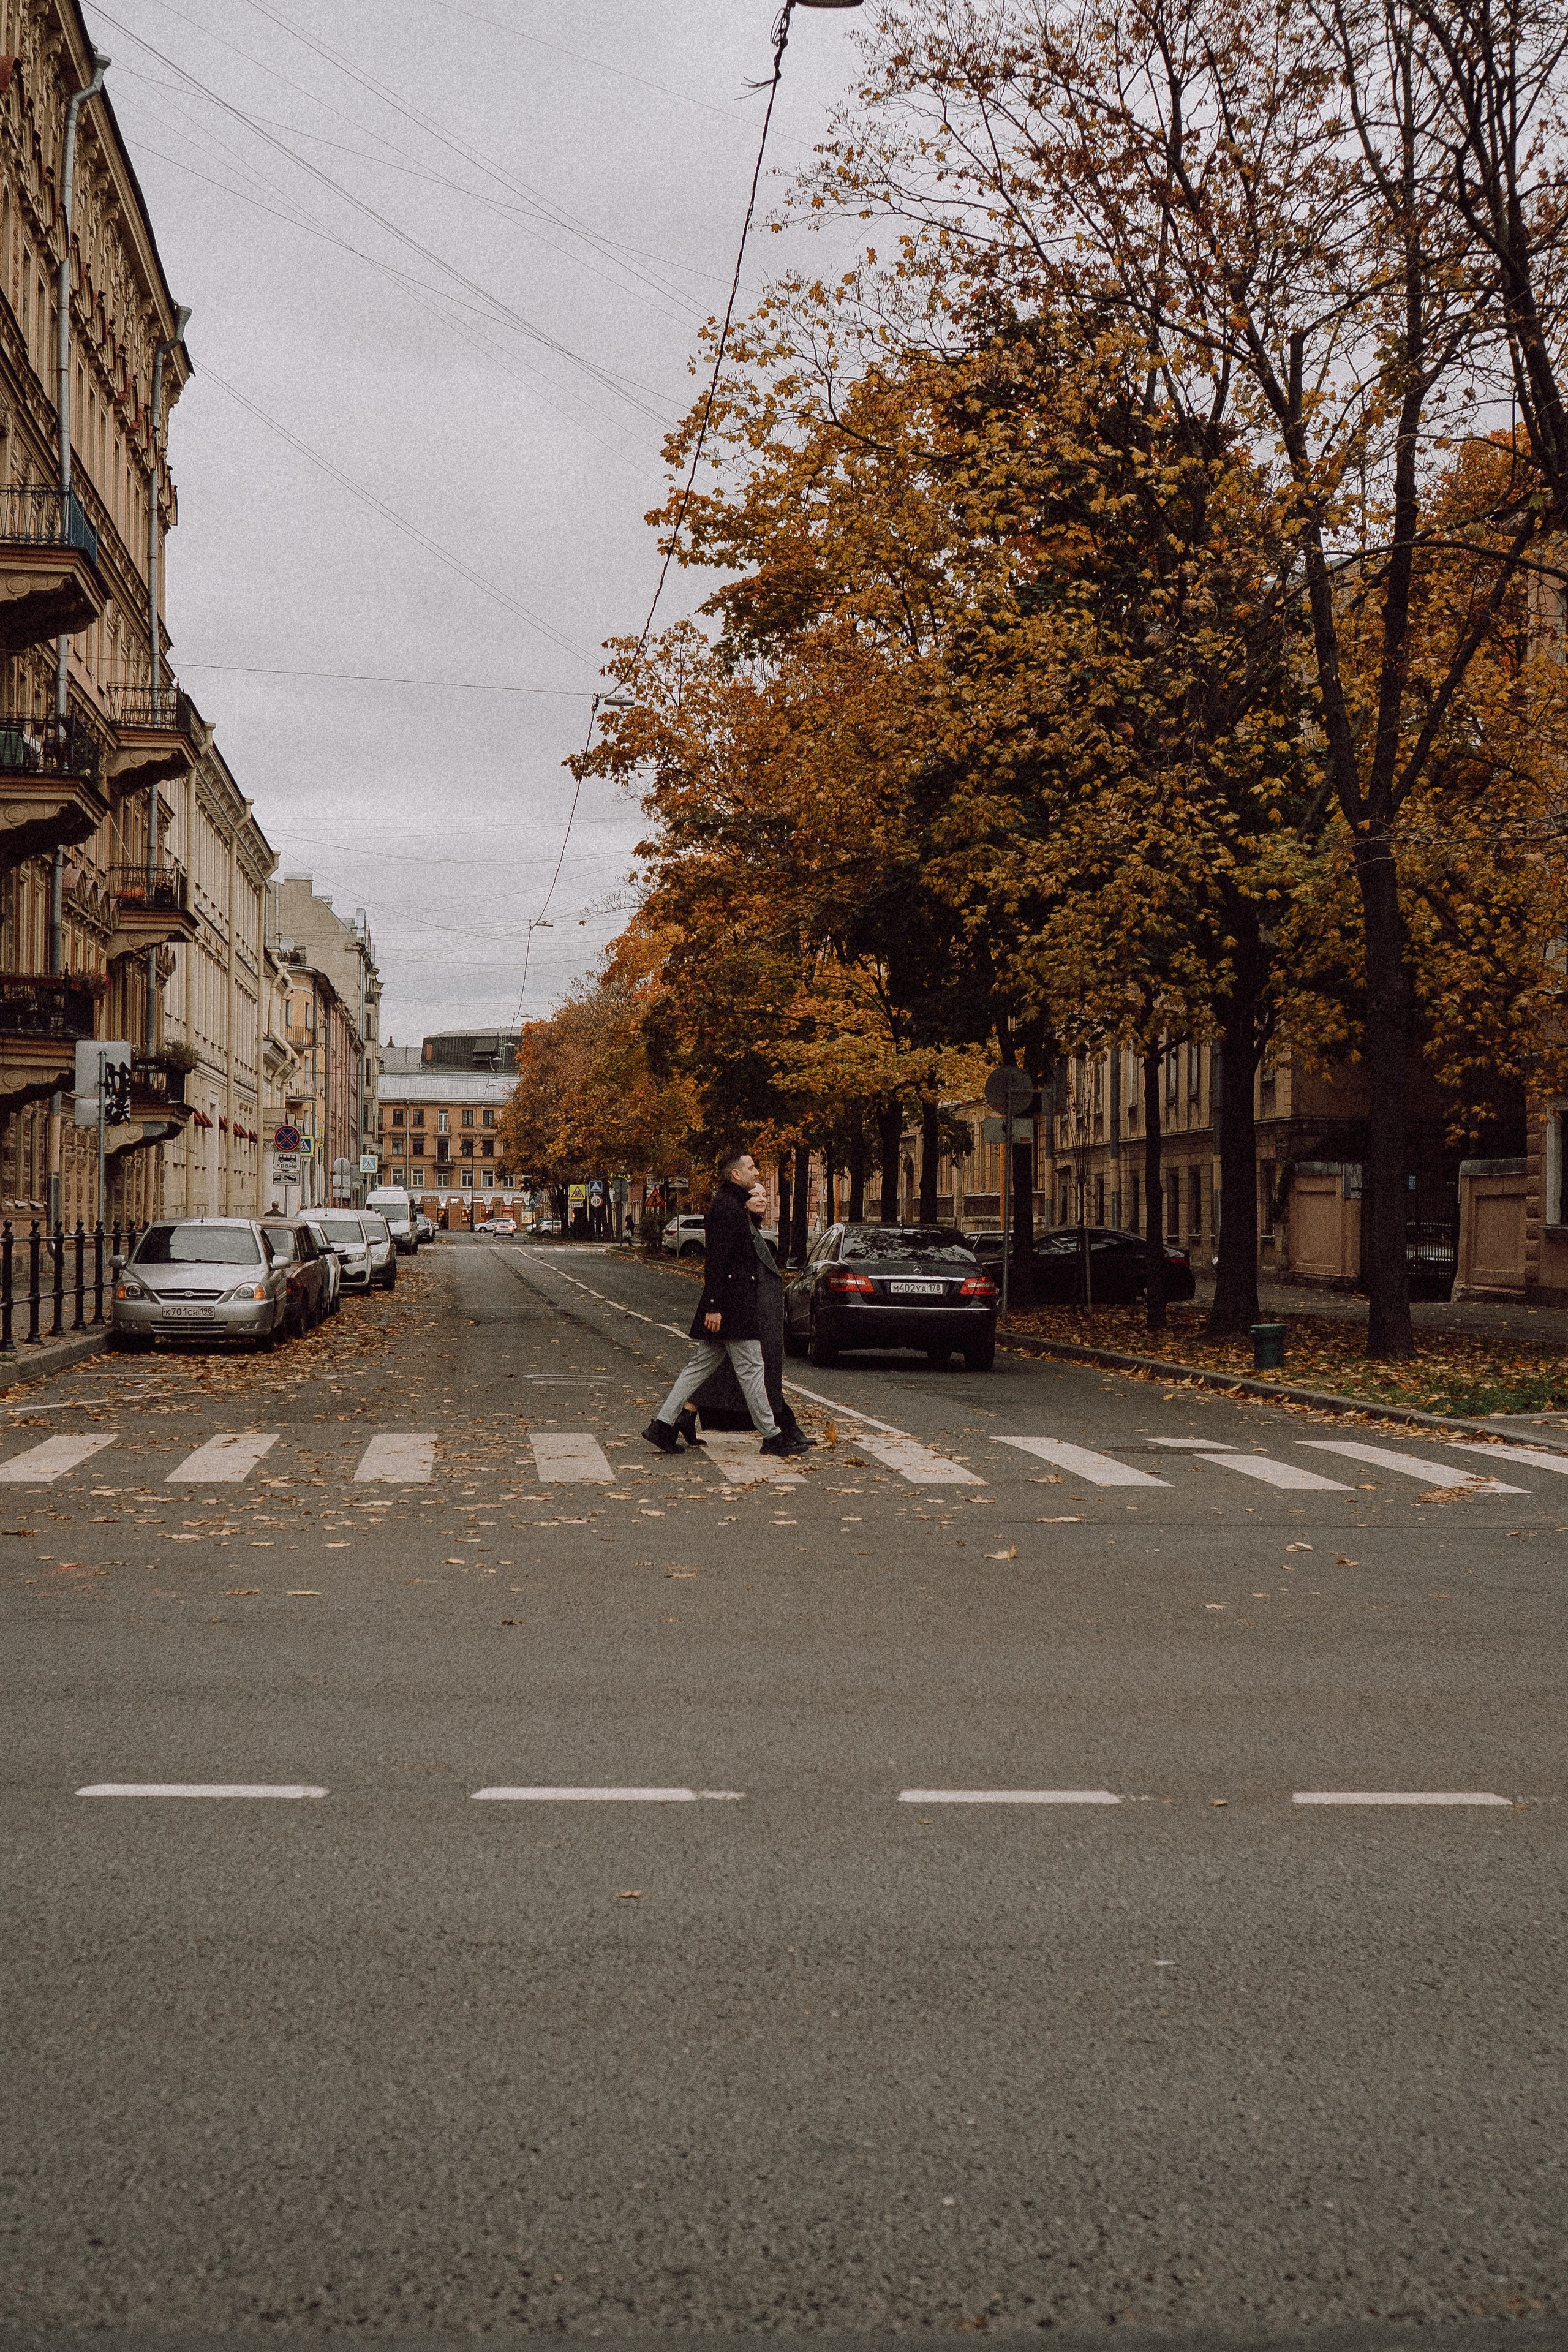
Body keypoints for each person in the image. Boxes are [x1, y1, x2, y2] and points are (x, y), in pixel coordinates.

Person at [643, 1148, 809, 1457]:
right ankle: (773, 1436)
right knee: (752, 1369)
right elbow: (717, 1262)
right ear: (736, 1175)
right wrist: (716, 1306)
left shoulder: (733, 1204)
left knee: (698, 1367)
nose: (757, 1172)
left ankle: (663, 1425)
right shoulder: (727, 1208)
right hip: (732, 1307)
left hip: (730, 1304)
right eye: (752, 1168)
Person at [677, 1179, 810, 1450]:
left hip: (749, 1311)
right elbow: (723, 1267)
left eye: (764, 1194)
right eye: (755, 1195)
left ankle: (684, 1416)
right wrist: (717, 1307)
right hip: (747, 1312)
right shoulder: (742, 1228)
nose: (762, 1199)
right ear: (743, 1201)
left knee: (722, 1370)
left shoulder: (753, 1229)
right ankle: (780, 1430)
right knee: (757, 1373)